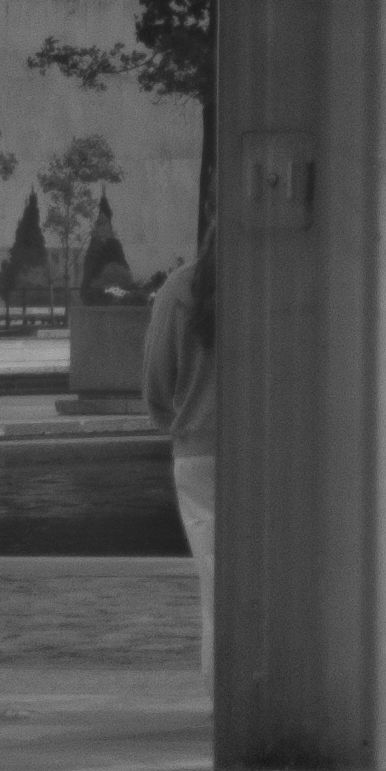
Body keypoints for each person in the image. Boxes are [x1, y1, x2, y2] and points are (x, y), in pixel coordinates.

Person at [139, 237, 222, 674]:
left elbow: (156, 378)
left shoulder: (181, 286)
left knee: (215, 584)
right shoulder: (284, 280)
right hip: (275, 454)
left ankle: (224, 694)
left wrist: (175, 416)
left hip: (198, 452)